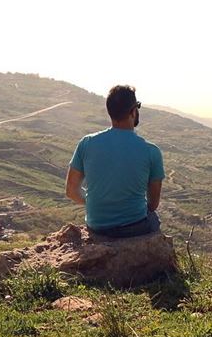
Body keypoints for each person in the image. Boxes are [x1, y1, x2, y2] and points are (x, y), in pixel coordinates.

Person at [65, 85, 165, 238]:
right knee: (153, 218)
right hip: (135, 227)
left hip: (96, 227)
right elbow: (152, 204)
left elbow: (71, 191)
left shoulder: (87, 143)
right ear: (133, 111)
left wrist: (95, 201)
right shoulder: (152, 151)